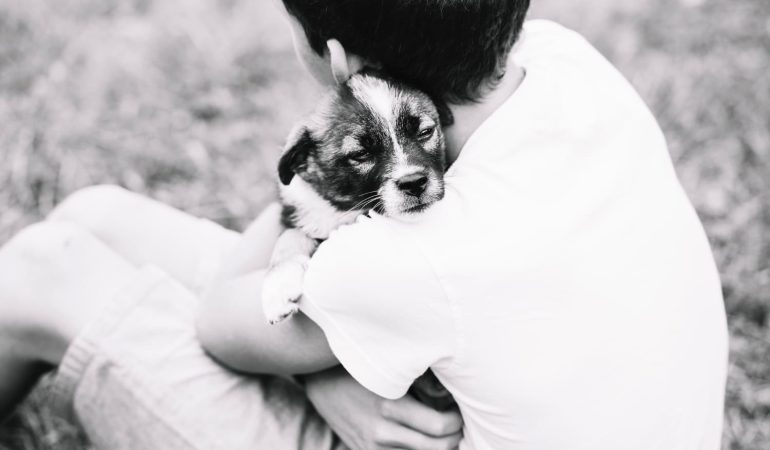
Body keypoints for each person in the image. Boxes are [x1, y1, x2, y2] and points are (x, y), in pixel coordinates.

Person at [0, 0, 728, 449]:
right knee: (94, 216)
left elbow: (221, 323)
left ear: (338, 59)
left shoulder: (408, 254)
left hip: (414, 406)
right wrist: (326, 373)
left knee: (44, 265)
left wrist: (304, 171)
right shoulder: (565, 58)